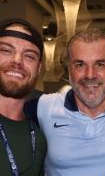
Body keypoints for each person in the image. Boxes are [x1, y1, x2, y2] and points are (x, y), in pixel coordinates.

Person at [25, 28, 105, 176]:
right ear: (69, 70)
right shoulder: (42, 108)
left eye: (100, 64)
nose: (90, 75)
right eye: (80, 65)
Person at [0, 18, 47, 175]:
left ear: (39, 68)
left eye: (29, 56)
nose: (17, 61)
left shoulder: (43, 131)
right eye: (6, 50)